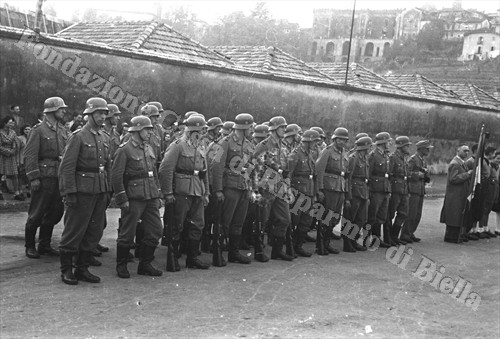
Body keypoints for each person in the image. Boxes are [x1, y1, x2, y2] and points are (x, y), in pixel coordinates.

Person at [58, 97, 112, 285]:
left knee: (94, 231)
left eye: (105, 113)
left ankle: (82, 268)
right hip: (81, 191)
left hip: (99, 190)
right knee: (74, 230)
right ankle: (66, 270)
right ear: (89, 114)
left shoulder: (104, 137)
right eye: (98, 113)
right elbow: (67, 167)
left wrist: (108, 189)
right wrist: (69, 192)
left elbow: (107, 165)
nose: (102, 116)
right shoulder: (78, 137)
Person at [112, 116, 163, 278]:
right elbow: (116, 176)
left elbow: (154, 173)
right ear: (138, 130)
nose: (150, 132)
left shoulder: (148, 148)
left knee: (156, 230)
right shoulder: (124, 150)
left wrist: (158, 194)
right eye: (147, 129)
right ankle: (121, 265)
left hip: (150, 196)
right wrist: (122, 198)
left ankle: (145, 264)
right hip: (134, 197)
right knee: (127, 232)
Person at [159, 114, 211, 269]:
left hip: (198, 190)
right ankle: (173, 258)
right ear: (192, 130)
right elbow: (165, 169)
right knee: (177, 225)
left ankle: (192, 258)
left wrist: (206, 192)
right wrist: (168, 193)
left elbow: (204, 172)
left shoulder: (200, 146)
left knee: (198, 224)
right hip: (181, 191)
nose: (202, 134)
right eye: (201, 131)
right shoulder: (178, 145)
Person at [211, 113, 262, 263]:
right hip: (230, 187)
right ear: (244, 127)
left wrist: (253, 189)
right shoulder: (224, 143)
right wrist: (218, 190)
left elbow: (253, 168)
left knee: (238, 221)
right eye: (250, 127)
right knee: (224, 221)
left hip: (244, 188)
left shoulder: (249, 144)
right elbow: (216, 166)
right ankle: (218, 252)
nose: (252, 130)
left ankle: (234, 253)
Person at [23, 97, 69, 259]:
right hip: (44, 177)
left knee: (55, 212)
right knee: (37, 212)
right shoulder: (38, 130)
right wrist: (34, 177)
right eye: (61, 109)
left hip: (58, 177)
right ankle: (29, 246)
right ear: (51, 111)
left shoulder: (62, 130)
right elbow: (30, 156)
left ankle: (44, 244)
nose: (64, 111)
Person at [254, 116, 294, 261]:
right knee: (262, 220)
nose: (285, 129)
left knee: (285, 219)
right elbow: (255, 168)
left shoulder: (284, 147)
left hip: (280, 188)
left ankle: (277, 251)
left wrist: (288, 188)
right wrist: (256, 189)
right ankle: (259, 251)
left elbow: (286, 170)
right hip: (266, 188)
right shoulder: (263, 145)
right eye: (282, 127)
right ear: (275, 128)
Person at [315, 127, 351, 255]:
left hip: (339, 188)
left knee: (335, 218)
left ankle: (327, 243)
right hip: (329, 188)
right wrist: (319, 189)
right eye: (339, 139)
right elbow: (319, 171)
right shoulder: (327, 151)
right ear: (334, 139)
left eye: (344, 140)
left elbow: (345, 174)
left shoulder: (344, 153)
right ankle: (320, 246)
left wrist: (345, 192)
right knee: (326, 217)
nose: (342, 142)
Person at [288, 129, 321, 257]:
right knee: (295, 220)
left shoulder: (310, 154)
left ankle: (298, 246)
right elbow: (289, 174)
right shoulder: (295, 154)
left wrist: (315, 192)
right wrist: (289, 190)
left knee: (306, 220)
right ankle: (291, 246)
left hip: (309, 191)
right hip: (298, 192)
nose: (315, 144)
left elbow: (314, 174)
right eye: (313, 142)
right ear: (307, 142)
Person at [400, 140, 433, 243]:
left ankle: (410, 232)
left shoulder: (423, 160)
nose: (428, 150)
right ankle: (405, 234)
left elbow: (424, 173)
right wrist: (416, 175)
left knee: (418, 214)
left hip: (420, 189)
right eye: (427, 148)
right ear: (421, 149)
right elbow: (407, 173)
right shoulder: (413, 160)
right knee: (411, 213)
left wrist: (426, 174)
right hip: (413, 189)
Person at [440, 144, 473, 243]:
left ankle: (455, 236)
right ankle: (451, 237)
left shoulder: (461, 163)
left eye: (467, 151)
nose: (466, 153)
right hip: (455, 195)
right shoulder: (455, 163)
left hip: (459, 194)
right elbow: (453, 179)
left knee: (457, 216)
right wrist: (467, 174)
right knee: (454, 216)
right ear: (458, 151)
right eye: (464, 151)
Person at [345, 136, 372, 252]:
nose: (370, 149)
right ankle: (348, 244)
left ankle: (353, 241)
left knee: (361, 219)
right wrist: (348, 196)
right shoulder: (353, 158)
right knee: (351, 219)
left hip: (363, 192)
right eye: (369, 146)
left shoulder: (364, 158)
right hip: (355, 192)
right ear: (365, 147)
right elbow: (348, 178)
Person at [367, 132, 393, 248]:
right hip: (375, 189)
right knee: (372, 215)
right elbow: (368, 174)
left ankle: (376, 239)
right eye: (388, 141)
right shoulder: (373, 156)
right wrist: (369, 190)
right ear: (383, 142)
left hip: (384, 189)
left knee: (381, 216)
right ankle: (366, 239)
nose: (389, 143)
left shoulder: (385, 155)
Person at [385, 136, 411, 246]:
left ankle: (394, 236)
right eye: (406, 145)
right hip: (395, 189)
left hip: (403, 189)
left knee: (403, 213)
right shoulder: (393, 158)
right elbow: (389, 175)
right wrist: (389, 190)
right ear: (401, 146)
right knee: (390, 214)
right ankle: (388, 237)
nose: (408, 147)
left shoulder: (404, 158)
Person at [0, 116, 23, 200]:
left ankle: (16, 193)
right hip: (2, 156)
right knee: (1, 173)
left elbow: (15, 143)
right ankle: (0, 192)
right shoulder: (0, 132)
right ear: (5, 123)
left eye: (13, 122)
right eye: (10, 122)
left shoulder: (13, 132)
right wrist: (7, 151)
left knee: (14, 174)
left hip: (11, 156)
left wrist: (13, 150)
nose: (12, 124)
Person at [16, 124, 32, 197]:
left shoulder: (33, 137)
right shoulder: (19, 138)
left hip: (30, 160)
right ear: (23, 130)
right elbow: (17, 150)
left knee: (30, 176)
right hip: (22, 159)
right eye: (26, 129)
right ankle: (21, 191)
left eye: (29, 129)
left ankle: (29, 191)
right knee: (21, 176)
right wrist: (18, 160)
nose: (27, 131)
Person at [491, 150, 500, 236]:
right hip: (496, 189)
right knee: (498, 210)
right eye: (497, 158)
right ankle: (497, 228)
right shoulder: (493, 166)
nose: (499, 160)